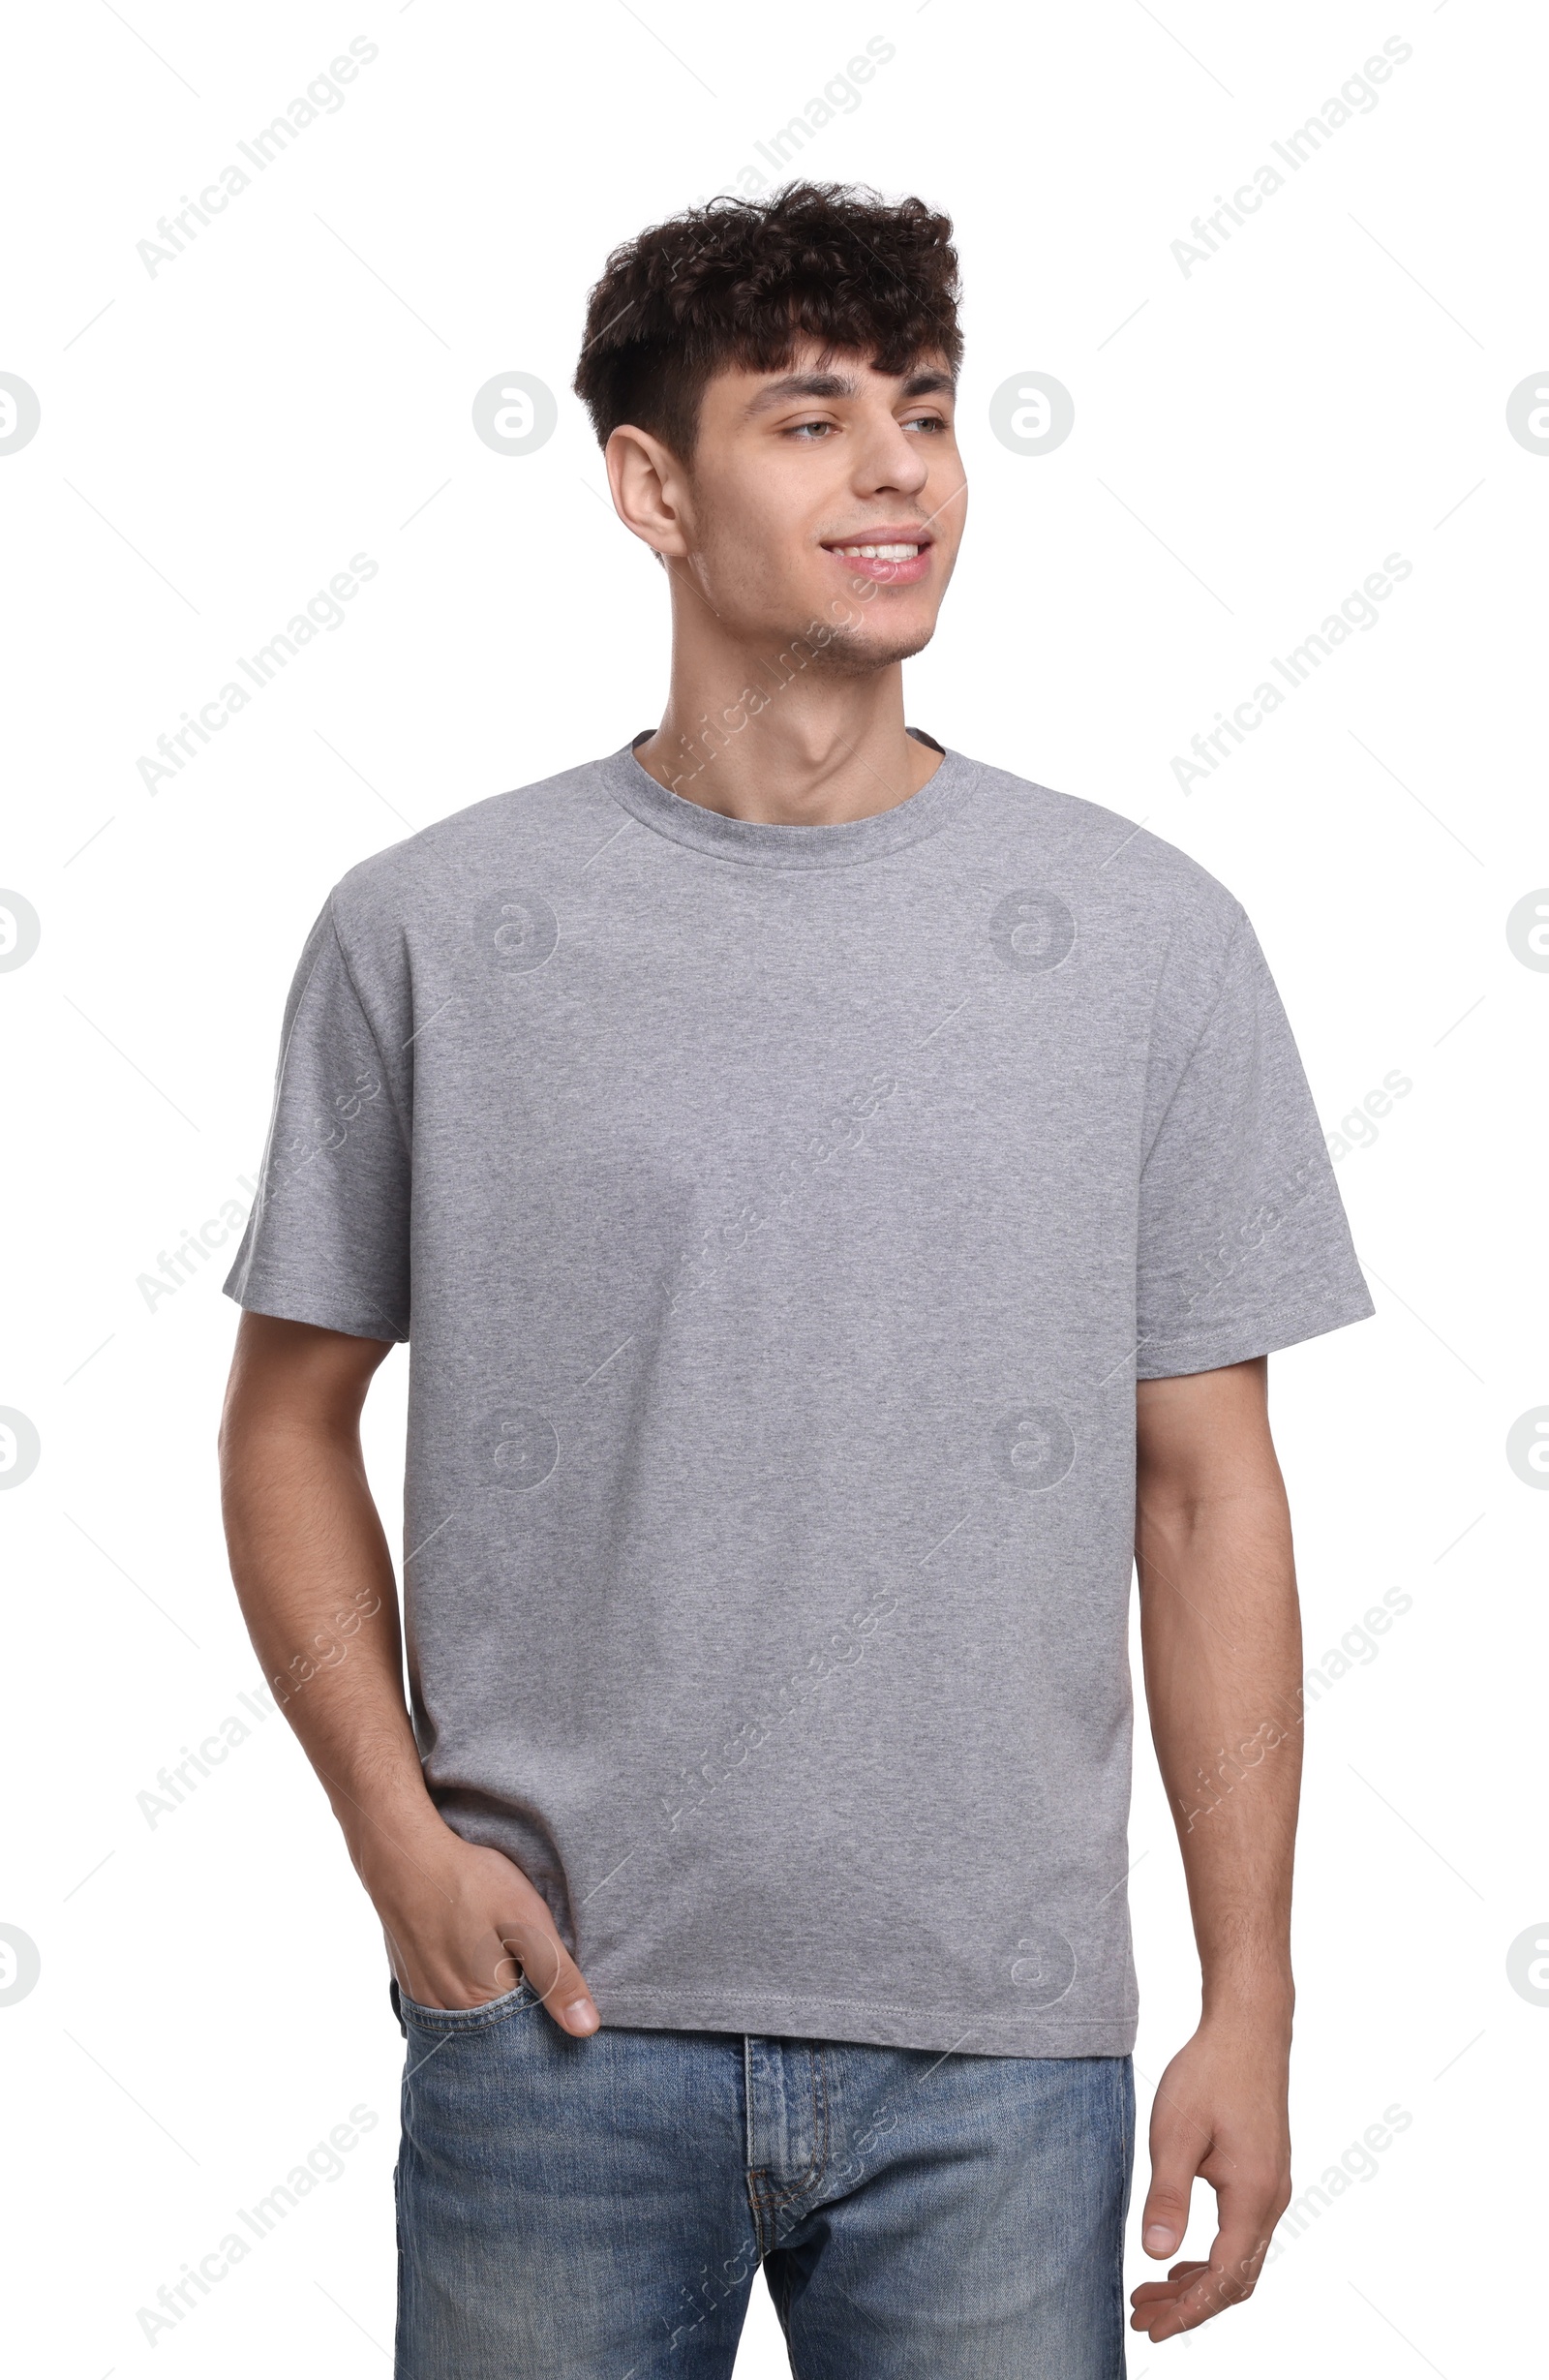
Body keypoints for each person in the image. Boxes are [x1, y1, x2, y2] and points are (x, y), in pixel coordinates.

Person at [218, 181, 1374, 2377]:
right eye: (810, 417)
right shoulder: (436, 931)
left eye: (924, 413)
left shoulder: (1140, 936)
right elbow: (286, 1421)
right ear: (650, 487)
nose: (895, 472)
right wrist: (394, 1838)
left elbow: (1206, 1491)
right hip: (556, 2023)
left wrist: (1248, 1993)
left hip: (1000, 2059)